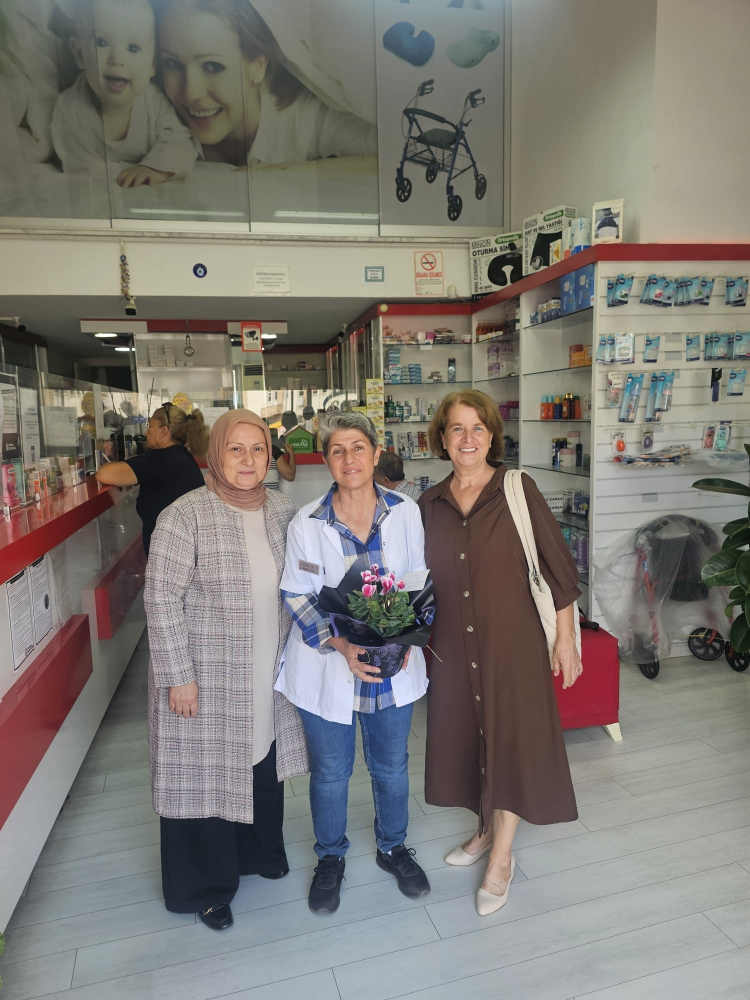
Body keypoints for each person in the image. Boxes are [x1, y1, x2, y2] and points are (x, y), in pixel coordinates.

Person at [144, 408, 308, 931]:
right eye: (235, 449)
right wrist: (178, 675)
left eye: (258, 449)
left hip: (267, 666)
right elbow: (160, 598)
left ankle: (256, 853)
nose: (248, 459)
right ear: (215, 454)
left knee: (259, 758)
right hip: (206, 674)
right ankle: (204, 887)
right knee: (203, 773)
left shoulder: (281, 510)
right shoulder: (184, 515)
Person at [418, 390, 582, 917]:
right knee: (470, 740)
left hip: (512, 643)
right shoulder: (429, 504)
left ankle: (502, 858)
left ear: (491, 436)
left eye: (478, 428)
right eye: (457, 428)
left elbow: (558, 569)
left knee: (509, 740)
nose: (468, 438)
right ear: (442, 439)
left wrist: (565, 638)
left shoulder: (517, 489)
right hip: (451, 646)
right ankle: (485, 829)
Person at [278, 411, 430, 915]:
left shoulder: (405, 512)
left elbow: (417, 579)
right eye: (337, 450)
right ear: (325, 460)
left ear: (376, 451)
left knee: (391, 765)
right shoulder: (307, 523)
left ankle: (393, 847)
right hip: (329, 665)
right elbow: (297, 594)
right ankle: (330, 856)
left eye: (358, 447)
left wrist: (405, 639)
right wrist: (342, 646)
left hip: (392, 665)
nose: (349, 459)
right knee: (330, 772)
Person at [153, 0, 376, 168]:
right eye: (172, 64)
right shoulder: (151, 110)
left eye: (213, 66)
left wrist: (287, 172)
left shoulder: (305, 119)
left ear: (258, 66)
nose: (191, 93)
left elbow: (393, 157)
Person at [52, 0, 197, 186]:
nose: (117, 59)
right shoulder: (70, 108)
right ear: (79, 53)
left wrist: (154, 168)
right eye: (101, 42)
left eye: (133, 48)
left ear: (152, 63)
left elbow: (181, 141)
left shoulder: (155, 103)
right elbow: (79, 168)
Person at [95, 402, 208, 555]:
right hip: (183, 549)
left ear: (163, 431)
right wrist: (133, 469)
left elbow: (103, 474)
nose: (146, 431)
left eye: (150, 426)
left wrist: (130, 467)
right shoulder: (180, 456)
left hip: (171, 554)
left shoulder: (160, 459)